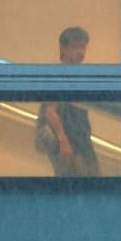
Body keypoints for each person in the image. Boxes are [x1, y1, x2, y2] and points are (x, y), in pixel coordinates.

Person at [38, 26, 99, 178]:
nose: (80, 52)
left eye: (83, 47)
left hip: (81, 143)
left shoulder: (78, 78)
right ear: (63, 49)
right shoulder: (60, 76)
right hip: (71, 144)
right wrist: (63, 140)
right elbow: (50, 111)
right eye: (75, 47)